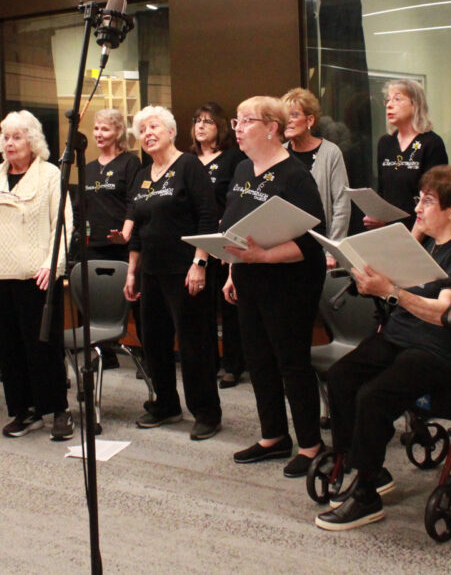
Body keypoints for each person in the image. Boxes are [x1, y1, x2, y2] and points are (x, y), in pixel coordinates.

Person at [315, 166, 451, 531]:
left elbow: (446, 313)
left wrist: (390, 292)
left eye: (428, 201)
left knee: (373, 395)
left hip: (441, 349)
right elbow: (402, 257)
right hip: (401, 337)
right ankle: (369, 467)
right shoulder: (429, 241)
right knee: (340, 378)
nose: (418, 208)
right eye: (419, 199)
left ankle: (367, 498)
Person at [220, 96, 326, 477]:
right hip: (249, 278)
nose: (238, 128)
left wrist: (263, 257)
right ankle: (274, 437)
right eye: (236, 120)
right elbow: (235, 227)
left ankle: (312, 445)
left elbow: (313, 241)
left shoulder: (296, 176)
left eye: (246, 121)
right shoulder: (243, 169)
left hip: (289, 283)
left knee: (291, 363)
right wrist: (233, 270)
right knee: (258, 360)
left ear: (271, 128)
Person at [0, 110, 74, 440]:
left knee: (43, 348)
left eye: (17, 137)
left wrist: (54, 265)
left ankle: (58, 410)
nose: (10, 143)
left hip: (35, 278)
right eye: (6, 137)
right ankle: (23, 411)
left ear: (33, 141)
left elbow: (62, 226)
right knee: (8, 350)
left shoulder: (50, 175)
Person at [124, 105, 222, 439]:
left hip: (184, 270)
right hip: (150, 272)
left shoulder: (189, 166)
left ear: (170, 131)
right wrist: (131, 272)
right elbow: (137, 226)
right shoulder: (141, 174)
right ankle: (166, 403)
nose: (148, 134)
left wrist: (200, 263)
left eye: (154, 127)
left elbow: (208, 216)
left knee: (195, 345)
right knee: (153, 342)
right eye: (142, 130)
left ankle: (206, 412)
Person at [80, 108, 142, 371]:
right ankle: (105, 354)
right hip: (94, 245)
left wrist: (126, 233)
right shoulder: (88, 168)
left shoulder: (130, 163)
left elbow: (134, 202)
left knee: (135, 300)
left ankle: (147, 356)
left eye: (105, 129)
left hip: (124, 245)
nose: (99, 134)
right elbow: (79, 207)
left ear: (118, 132)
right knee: (96, 301)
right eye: (96, 129)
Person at [190, 102, 245, 389]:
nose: (200, 126)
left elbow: (236, 197)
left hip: (224, 239)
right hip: (195, 240)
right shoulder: (186, 160)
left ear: (220, 127)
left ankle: (233, 364)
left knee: (229, 303)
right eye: (198, 120)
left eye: (208, 122)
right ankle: (207, 361)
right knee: (201, 306)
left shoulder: (232, 158)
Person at [365, 79, 447, 229]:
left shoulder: (431, 143)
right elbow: (383, 190)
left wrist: (415, 237)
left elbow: (435, 198)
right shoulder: (385, 142)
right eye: (388, 100)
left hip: (422, 231)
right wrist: (377, 216)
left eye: (397, 99)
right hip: (389, 231)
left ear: (415, 104)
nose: (389, 105)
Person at [282, 87, 350, 267]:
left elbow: (342, 205)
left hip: (319, 251)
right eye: (284, 115)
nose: (287, 121)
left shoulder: (330, 153)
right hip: (283, 249)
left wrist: (332, 250)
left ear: (310, 120)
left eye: (294, 115)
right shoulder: (279, 152)